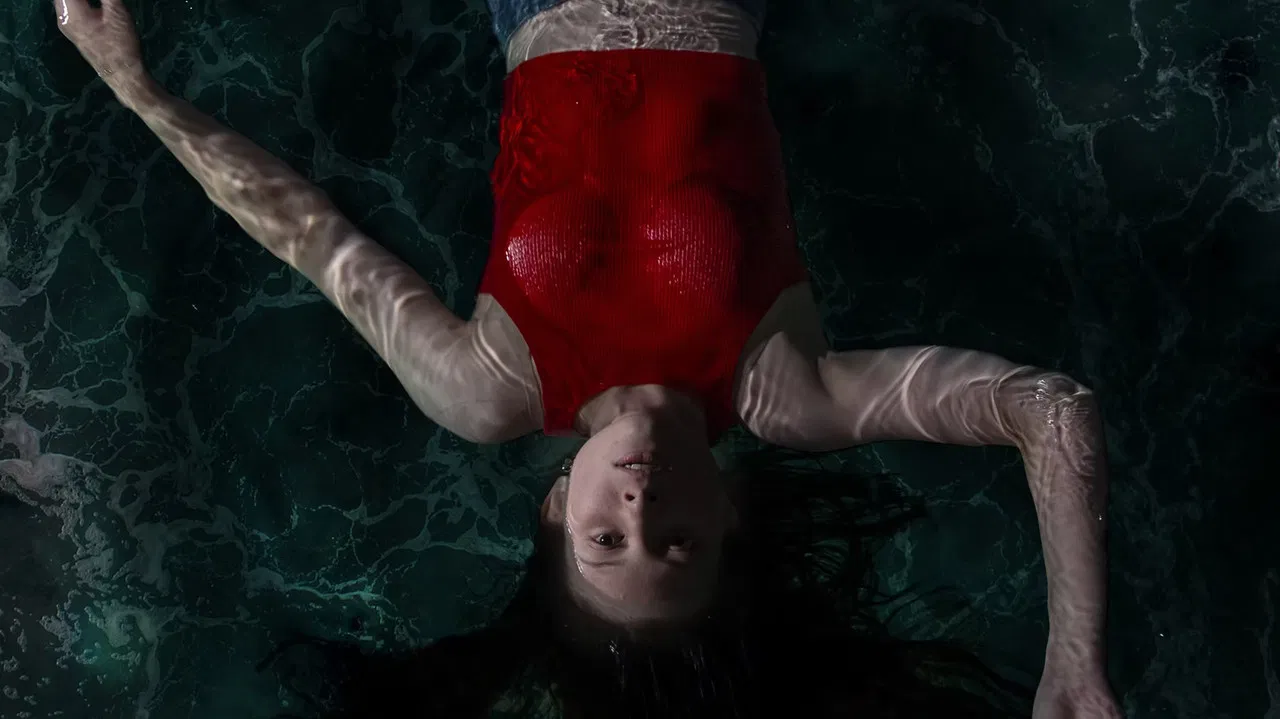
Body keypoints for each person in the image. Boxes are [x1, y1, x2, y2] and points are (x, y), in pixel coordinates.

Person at [53, 0, 1123, 717]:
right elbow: (1050, 408)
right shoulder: (783, 389)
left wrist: (135, 87)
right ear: (729, 517)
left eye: (609, 539)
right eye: (675, 542)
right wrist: (1074, 659)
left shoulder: (489, 386)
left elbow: (311, 237)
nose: (642, 505)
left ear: (557, 509)